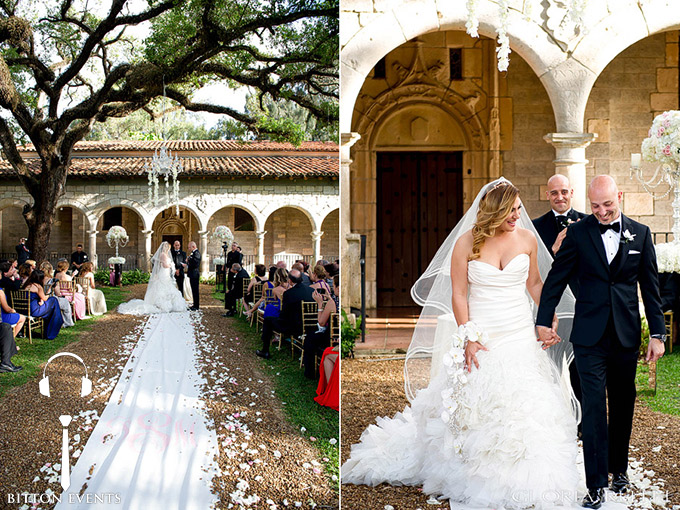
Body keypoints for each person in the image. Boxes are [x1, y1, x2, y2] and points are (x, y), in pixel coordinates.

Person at [342, 179, 581, 508]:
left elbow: (535, 283)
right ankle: (473, 467)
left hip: (517, 331)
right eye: (510, 211)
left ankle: (527, 471)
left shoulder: (527, 239)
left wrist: (546, 316)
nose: (517, 216)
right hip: (482, 332)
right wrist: (468, 335)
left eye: (518, 209)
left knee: (525, 404)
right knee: (475, 402)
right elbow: (458, 293)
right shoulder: (467, 243)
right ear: (493, 210)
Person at [536, 175, 665, 508]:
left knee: (623, 404)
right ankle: (595, 486)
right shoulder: (578, 233)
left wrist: (657, 334)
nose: (603, 212)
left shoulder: (642, 233)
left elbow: (650, 289)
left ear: (619, 197)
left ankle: (619, 470)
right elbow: (555, 279)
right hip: (589, 336)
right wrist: (541, 322)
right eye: (595, 206)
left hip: (625, 335)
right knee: (593, 408)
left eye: (608, 205)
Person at [533, 173, 587, 431]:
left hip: (580, 307)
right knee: (549, 367)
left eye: (564, 191)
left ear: (572, 192)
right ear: (547, 195)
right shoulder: (534, 227)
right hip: (550, 310)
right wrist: (554, 251)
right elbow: (534, 272)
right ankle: (551, 423)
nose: (560, 197)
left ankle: (583, 423)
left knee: (580, 367)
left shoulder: (589, 223)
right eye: (554, 192)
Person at [256, 269, 314, 360]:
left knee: (268, 320)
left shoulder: (289, 293)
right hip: (310, 327)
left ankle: (265, 350)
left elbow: (284, 314)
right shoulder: (311, 291)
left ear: (290, 280)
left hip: (293, 327)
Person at [118, 242, 187, 315]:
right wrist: (170, 265)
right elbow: (164, 265)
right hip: (163, 273)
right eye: (168, 248)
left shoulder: (166, 254)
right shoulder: (162, 255)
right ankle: (160, 305)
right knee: (162, 287)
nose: (168, 249)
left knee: (169, 287)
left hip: (166, 274)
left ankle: (172, 305)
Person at [22, 270, 64, 339]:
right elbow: (45, 298)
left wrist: (40, 300)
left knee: (52, 306)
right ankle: (55, 325)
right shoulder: (38, 286)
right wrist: (49, 289)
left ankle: (55, 323)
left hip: (24, 309)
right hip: (34, 310)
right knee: (54, 300)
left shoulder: (25, 285)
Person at [41, 261, 74, 327]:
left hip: (41, 299)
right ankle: (68, 322)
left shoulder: (39, 279)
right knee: (66, 303)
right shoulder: (52, 280)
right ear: (50, 270)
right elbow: (58, 293)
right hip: (50, 300)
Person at [186, 241, 201, 310]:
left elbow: (195, 264)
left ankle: (196, 306)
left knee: (195, 290)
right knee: (193, 290)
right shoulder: (193, 253)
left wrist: (188, 262)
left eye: (189, 247)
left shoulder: (197, 253)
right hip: (192, 274)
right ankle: (194, 304)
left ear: (193, 247)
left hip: (194, 274)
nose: (188, 249)